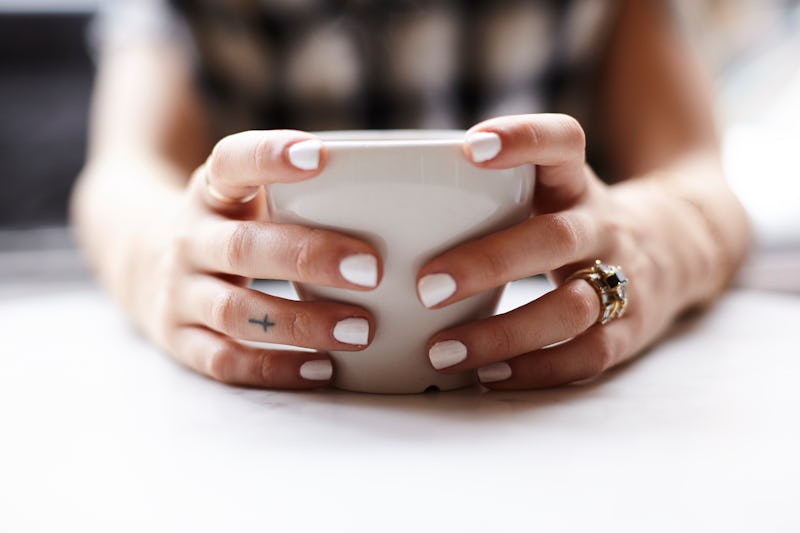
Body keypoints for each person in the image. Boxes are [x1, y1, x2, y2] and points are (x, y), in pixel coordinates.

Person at [71, 0, 750, 390]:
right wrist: (163, 254)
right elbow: (120, 177)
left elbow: (699, 175)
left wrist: (653, 244)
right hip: (285, 408)